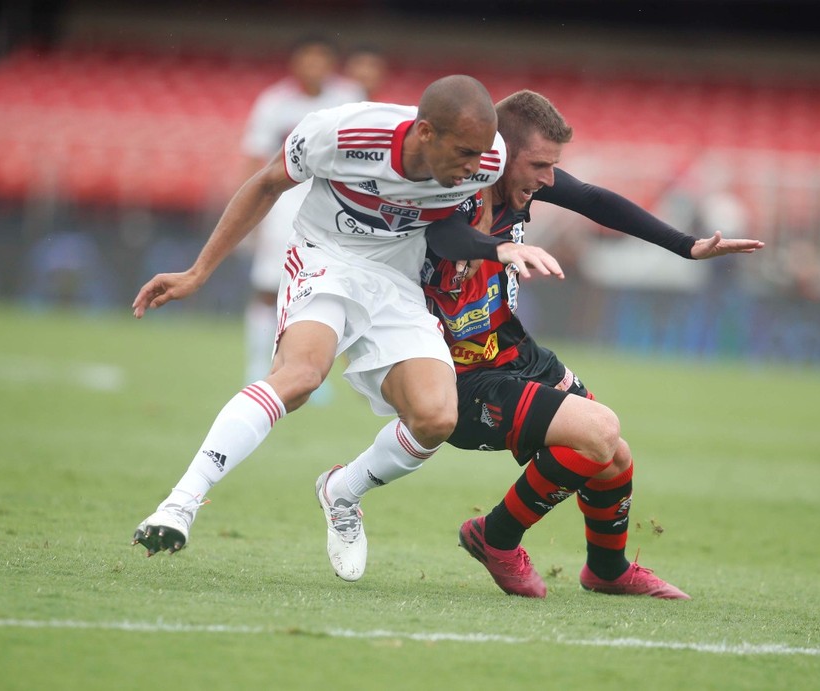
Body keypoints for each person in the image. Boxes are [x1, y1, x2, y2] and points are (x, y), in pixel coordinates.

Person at [131, 76, 564, 585]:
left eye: (481, 154)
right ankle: (178, 505)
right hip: (326, 262)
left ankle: (343, 491)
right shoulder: (340, 134)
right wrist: (198, 271)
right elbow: (267, 183)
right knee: (301, 377)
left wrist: (486, 245)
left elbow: (477, 203)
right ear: (425, 133)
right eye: (465, 152)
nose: (477, 166)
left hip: (397, 282)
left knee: (436, 417)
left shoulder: (485, 158)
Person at [421, 90, 764, 598]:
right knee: (599, 433)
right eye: (538, 164)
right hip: (455, 376)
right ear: (499, 155)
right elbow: (442, 238)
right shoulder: (449, 191)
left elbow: (596, 201)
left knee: (613, 455)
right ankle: (495, 537)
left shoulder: (526, 186)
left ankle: (607, 570)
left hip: (511, 349)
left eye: (553, 166)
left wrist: (686, 247)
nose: (548, 179)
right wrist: (501, 247)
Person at [242, 35, 366, 386]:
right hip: (280, 206)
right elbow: (255, 158)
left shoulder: (348, 98)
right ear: (295, 63)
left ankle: (315, 372)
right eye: (308, 59)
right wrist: (253, 215)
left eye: (321, 59)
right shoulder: (275, 103)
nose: (314, 67)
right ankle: (257, 367)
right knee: (269, 288)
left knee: (323, 289)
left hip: (329, 207)